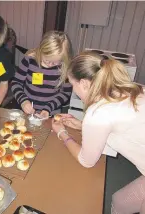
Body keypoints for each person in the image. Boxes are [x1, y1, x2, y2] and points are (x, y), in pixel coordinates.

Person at [51, 51, 145, 214]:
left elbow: (86, 161)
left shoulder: (98, 113)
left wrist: (62, 133)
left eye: (73, 85)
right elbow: (119, 125)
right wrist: (82, 126)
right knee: (120, 202)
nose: (74, 90)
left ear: (84, 84)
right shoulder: (131, 88)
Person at [11, 31, 72, 118]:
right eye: (47, 60)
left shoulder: (65, 67)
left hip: (51, 113)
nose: (50, 64)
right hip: (26, 112)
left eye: (55, 62)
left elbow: (66, 93)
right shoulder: (30, 60)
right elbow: (16, 83)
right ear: (41, 50)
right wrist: (23, 101)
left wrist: (48, 108)